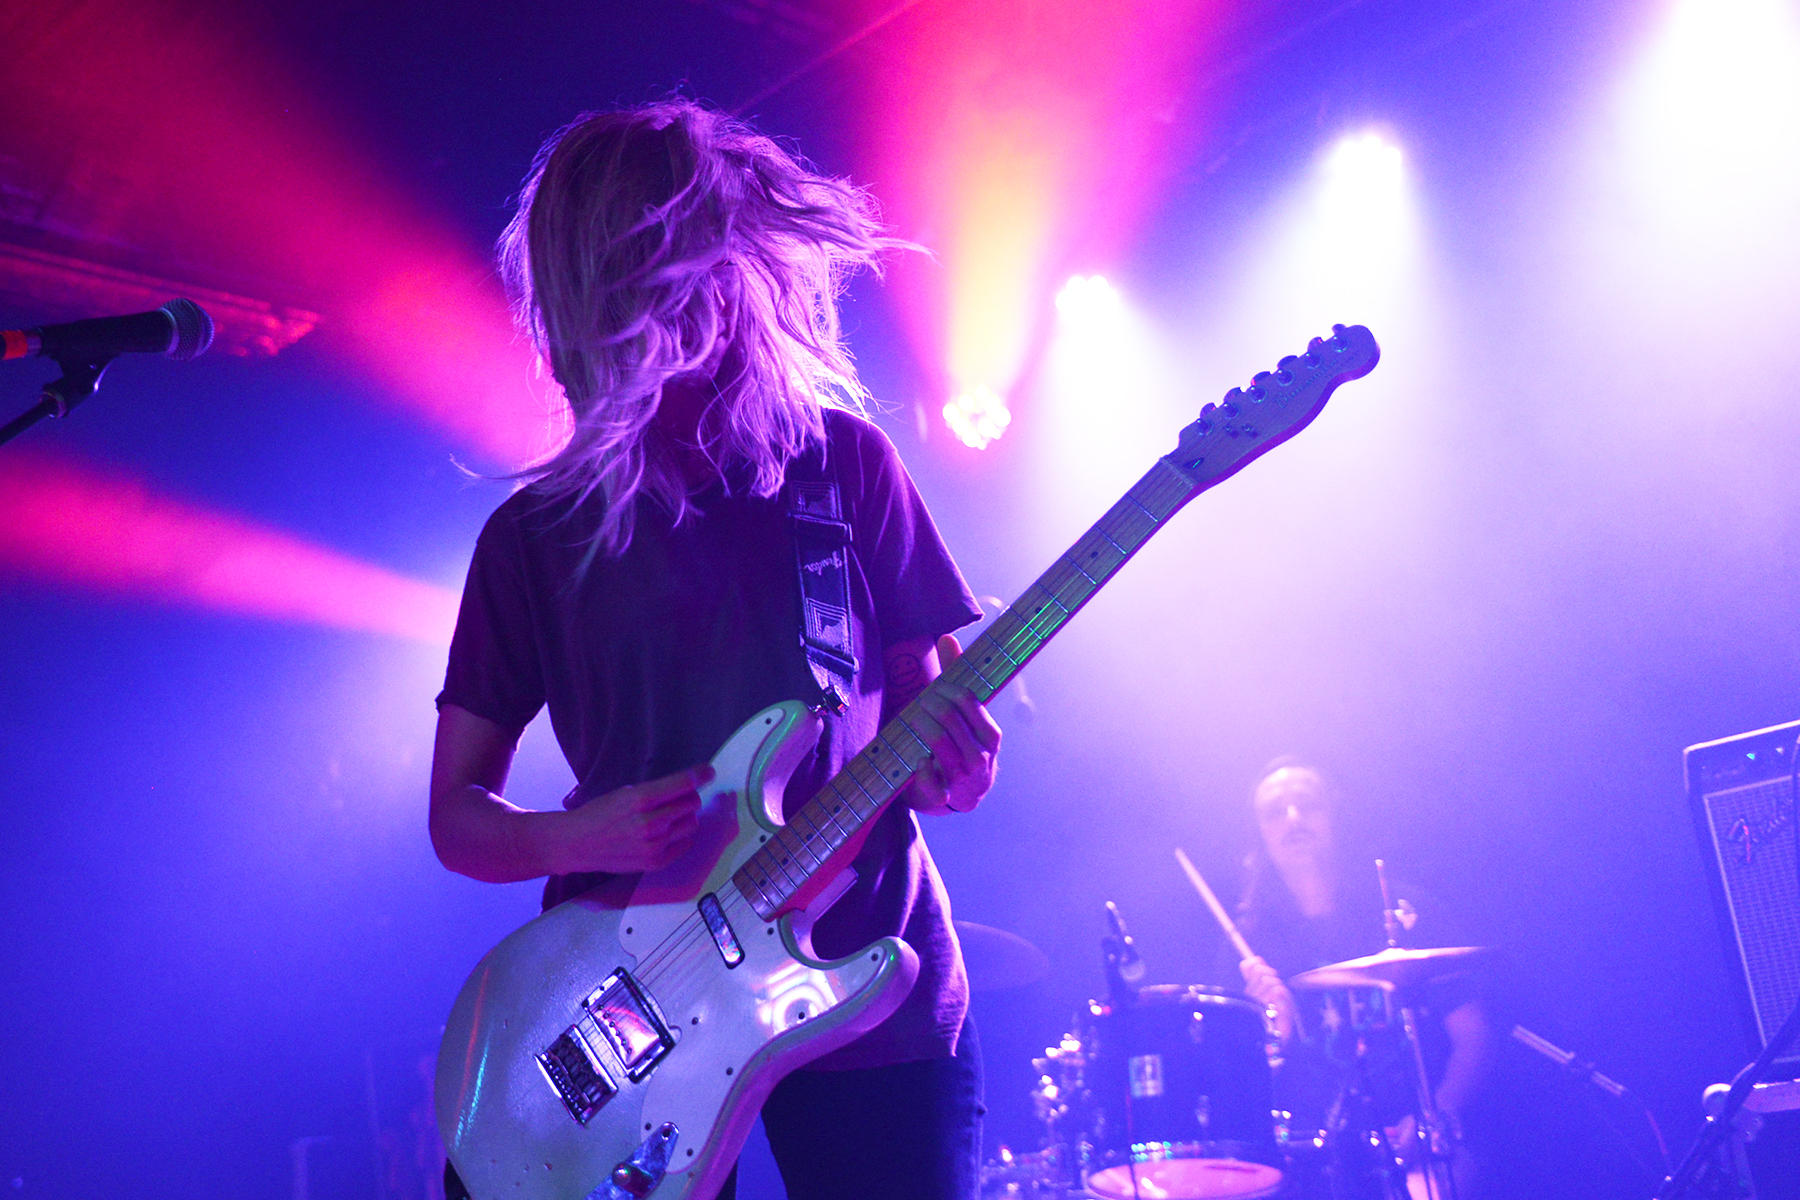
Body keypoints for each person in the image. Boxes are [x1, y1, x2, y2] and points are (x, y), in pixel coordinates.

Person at [428, 100, 1001, 1200]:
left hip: (864, 991)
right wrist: (576, 833)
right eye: (665, 265)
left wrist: (960, 768)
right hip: (632, 1003)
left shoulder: (846, 467)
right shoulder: (534, 538)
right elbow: (457, 817)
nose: (706, 295)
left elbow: (930, 746)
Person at [1228, 759, 1494, 1199]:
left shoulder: (1404, 913)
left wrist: (1438, 1113)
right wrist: (1276, 1031)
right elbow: (1241, 1093)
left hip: (1422, 1149)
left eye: (1307, 804)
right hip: (1313, 1161)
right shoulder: (1250, 946)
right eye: (1275, 812)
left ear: (1335, 814)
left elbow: (1473, 1036)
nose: (1293, 819)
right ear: (1261, 836)